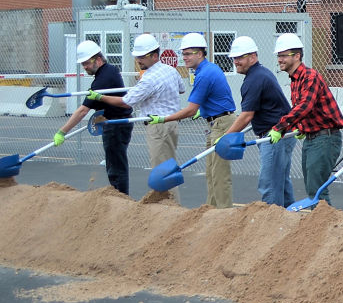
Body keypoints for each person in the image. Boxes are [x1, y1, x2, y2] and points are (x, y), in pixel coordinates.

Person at [89, 33, 183, 193]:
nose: (138, 60)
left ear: (154, 56)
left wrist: (100, 97)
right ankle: (170, 203)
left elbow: (125, 102)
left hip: (158, 127)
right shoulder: (170, 70)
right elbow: (181, 89)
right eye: (137, 57)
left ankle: (168, 204)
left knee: (162, 172)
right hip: (172, 123)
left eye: (142, 57)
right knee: (169, 167)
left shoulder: (149, 79)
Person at [153, 33, 237, 208]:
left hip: (222, 124)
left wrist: (163, 119)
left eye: (188, 54)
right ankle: (211, 210)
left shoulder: (204, 74)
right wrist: (204, 111)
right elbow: (213, 99)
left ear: (199, 53)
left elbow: (190, 109)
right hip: (216, 122)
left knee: (219, 174)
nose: (184, 57)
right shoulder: (207, 70)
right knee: (211, 172)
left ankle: (223, 214)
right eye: (183, 54)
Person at [269, 33, 343, 205]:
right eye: (278, 55)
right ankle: (319, 219)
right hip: (312, 138)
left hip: (325, 138)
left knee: (317, 189)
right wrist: (302, 127)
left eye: (283, 55)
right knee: (312, 188)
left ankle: (324, 221)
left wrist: (280, 127)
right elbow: (306, 110)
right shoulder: (295, 80)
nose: (279, 59)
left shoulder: (310, 76)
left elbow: (305, 106)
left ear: (297, 56)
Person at [222, 36, 296, 207]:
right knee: (281, 182)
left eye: (240, 57)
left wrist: (226, 137)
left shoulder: (254, 79)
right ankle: (290, 216)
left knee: (269, 184)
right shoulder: (261, 74)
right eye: (234, 58)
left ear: (253, 57)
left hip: (275, 136)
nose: (236, 62)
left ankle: (271, 218)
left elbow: (247, 115)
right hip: (282, 133)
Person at [55, 40, 133, 194]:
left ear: (98, 59)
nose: (84, 67)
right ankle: (120, 196)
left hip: (116, 125)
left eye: (86, 63)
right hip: (116, 122)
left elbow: (83, 111)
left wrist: (62, 131)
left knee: (116, 168)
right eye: (82, 64)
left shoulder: (102, 80)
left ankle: (122, 199)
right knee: (115, 165)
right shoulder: (110, 70)